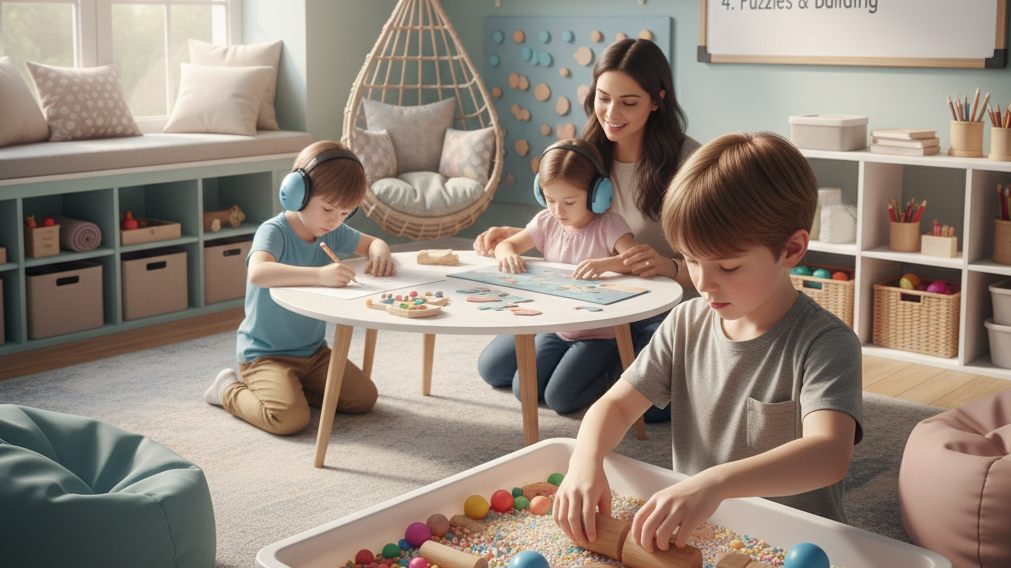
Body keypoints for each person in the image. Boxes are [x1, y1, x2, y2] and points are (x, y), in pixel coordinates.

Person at [552, 132, 863, 554]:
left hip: (797, 547)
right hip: (701, 533)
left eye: (728, 267)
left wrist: (716, 483)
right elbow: (616, 404)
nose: (703, 281)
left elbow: (828, 454)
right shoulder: (686, 322)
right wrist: (584, 462)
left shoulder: (825, 343)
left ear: (791, 249)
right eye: (692, 260)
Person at [474, 38, 700, 420]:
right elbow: (577, 226)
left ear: (657, 100)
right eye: (603, 97)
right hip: (586, 297)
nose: (612, 113)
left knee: (654, 409)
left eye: (629, 102)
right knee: (494, 369)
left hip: (656, 301)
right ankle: (599, 357)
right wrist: (516, 236)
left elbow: (716, 258)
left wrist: (669, 267)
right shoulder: (588, 152)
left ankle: (612, 360)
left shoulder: (689, 161)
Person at [204, 141, 395, 436]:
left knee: (364, 398)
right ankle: (227, 389)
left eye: (345, 213)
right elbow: (259, 272)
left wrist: (380, 252)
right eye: (329, 209)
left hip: (314, 353)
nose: (335, 220)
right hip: (265, 355)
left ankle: (294, 390)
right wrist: (319, 275)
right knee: (289, 420)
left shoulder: (333, 230)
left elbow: (373, 243)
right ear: (297, 193)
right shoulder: (274, 231)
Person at [479, 139, 642, 414]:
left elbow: (636, 261)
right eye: (550, 199)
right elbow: (508, 244)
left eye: (568, 202)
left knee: (560, 399)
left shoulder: (610, 226)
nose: (558, 211)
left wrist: (606, 264)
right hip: (557, 327)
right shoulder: (546, 222)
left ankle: (609, 376)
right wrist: (505, 253)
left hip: (598, 336)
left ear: (596, 195)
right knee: (524, 391)